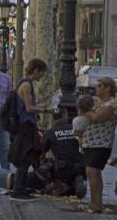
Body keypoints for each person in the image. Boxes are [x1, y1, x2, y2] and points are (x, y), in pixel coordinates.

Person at [8, 58, 51, 201]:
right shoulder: (26, 85)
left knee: (29, 157)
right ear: (37, 70)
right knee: (25, 158)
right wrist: (46, 110)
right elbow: (28, 108)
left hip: (28, 125)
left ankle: (21, 187)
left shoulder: (26, 83)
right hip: (25, 126)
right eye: (42, 73)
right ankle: (17, 190)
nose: (42, 77)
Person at [81, 77, 117, 213]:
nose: (96, 88)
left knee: (93, 171)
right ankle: (96, 203)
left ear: (108, 88)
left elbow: (98, 117)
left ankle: (95, 205)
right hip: (90, 142)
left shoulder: (111, 104)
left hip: (101, 143)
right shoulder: (96, 102)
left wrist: (84, 111)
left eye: (100, 85)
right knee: (91, 172)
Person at [42, 108, 87, 199]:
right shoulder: (74, 128)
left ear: (53, 118)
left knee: (47, 164)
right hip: (79, 165)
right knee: (77, 173)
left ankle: (62, 185)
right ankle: (78, 182)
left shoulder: (50, 132)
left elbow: (42, 151)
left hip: (62, 168)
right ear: (64, 116)